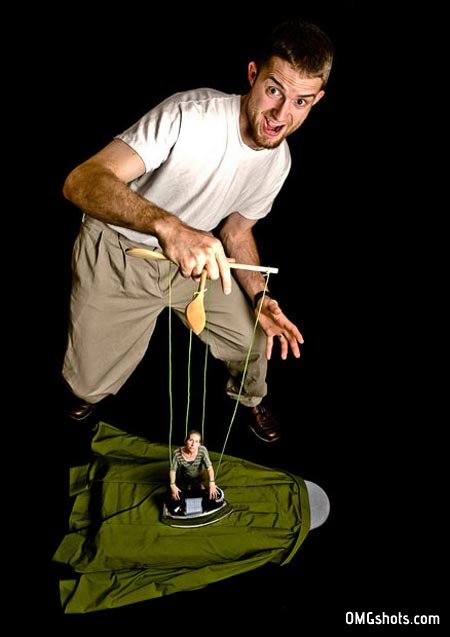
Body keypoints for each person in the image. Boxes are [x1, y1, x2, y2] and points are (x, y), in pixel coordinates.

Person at [62, 18, 333, 442]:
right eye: (274, 90)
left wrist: (260, 296)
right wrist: (169, 227)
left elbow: (237, 233)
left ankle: (250, 400)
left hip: (194, 262)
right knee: (86, 383)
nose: (281, 115)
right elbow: (81, 181)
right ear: (253, 75)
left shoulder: (279, 161)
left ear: (317, 100)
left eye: (300, 101)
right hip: (121, 253)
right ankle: (87, 394)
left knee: (253, 341)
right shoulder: (189, 115)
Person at [167, 430, 222, 515]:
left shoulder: (202, 450)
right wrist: (172, 484)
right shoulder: (177, 453)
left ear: (199, 444)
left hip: (200, 476)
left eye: (196, 441)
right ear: (186, 441)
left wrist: (212, 482)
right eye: (191, 440)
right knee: (179, 495)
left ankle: (200, 486)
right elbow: (173, 470)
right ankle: (189, 486)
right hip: (185, 477)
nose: (193, 444)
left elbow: (210, 468)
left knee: (204, 492)